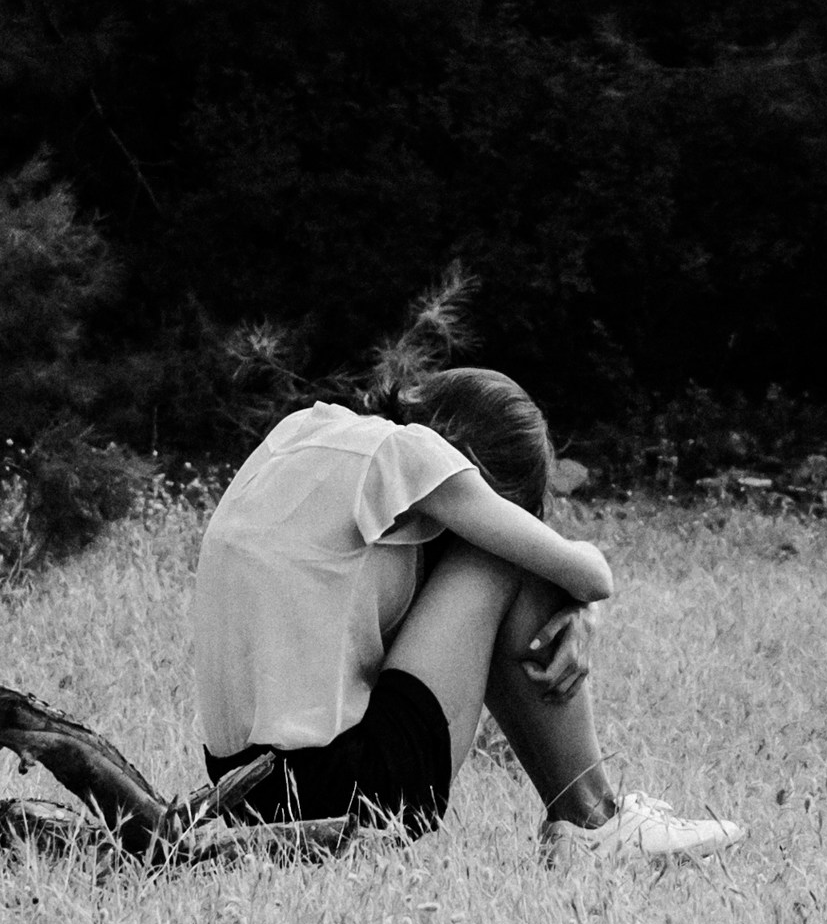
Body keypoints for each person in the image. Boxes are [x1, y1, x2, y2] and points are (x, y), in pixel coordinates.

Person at [185, 367, 743, 861]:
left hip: (245, 795)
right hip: (347, 794)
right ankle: (595, 820)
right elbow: (591, 574)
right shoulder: (415, 455)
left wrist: (574, 598)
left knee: (515, 557)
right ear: (477, 468)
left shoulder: (304, 431)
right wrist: (577, 598)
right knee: (506, 558)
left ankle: (591, 821)